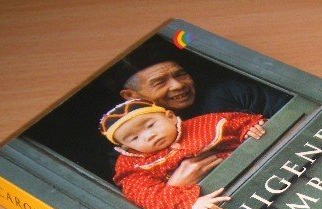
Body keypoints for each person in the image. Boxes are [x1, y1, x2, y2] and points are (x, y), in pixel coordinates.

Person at [105, 39, 290, 187]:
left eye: (180, 75)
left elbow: (291, 113)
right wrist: (174, 186)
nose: (178, 85)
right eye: (160, 82)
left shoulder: (228, 92)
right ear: (131, 96)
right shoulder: (130, 152)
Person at [99, 99, 266, 209]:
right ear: (125, 148)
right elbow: (147, 196)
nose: (149, 136)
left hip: (255, 166)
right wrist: (190, 202)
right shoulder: (132, 166)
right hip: (223, 197)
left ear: (170, 117)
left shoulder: (199, 125)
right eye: (134, 138)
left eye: (150, 125)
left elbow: (235, 121)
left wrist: (250, 128)